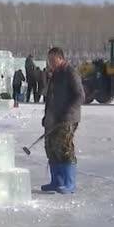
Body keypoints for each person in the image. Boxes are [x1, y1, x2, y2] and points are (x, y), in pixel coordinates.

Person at [41, 47, 85, 194]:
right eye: (49, 60)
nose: (51, 63)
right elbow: (51, 98)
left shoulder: (70, 72)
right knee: (51, 148)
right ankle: (56, 181)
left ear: (61, 58)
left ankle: (69, 183)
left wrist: (68, 113)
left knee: (64, 148)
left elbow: (80, 95)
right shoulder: (54, 75)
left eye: (53, 60)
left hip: (67, 118)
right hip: (53, 119)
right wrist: (47, 117)